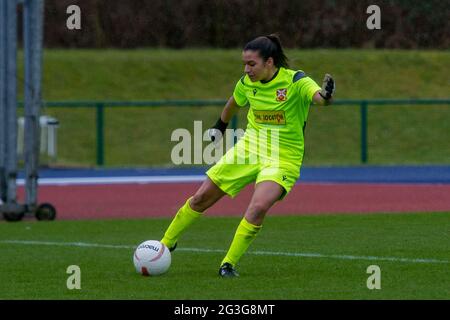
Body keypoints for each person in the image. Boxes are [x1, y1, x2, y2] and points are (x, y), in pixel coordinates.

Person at [161, 34, 335, 278]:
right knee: (201, 198)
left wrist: (326, 96)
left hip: (284, 157)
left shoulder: (296, 80)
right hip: (249, 149)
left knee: (258, 207)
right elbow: (234, 101)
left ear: (270, 62)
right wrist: (219, 126)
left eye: (252, 64)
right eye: (244, 63)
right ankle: (165, 244)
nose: (246, 69)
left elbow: (318, 98)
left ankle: (228, 264)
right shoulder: (246, 83)